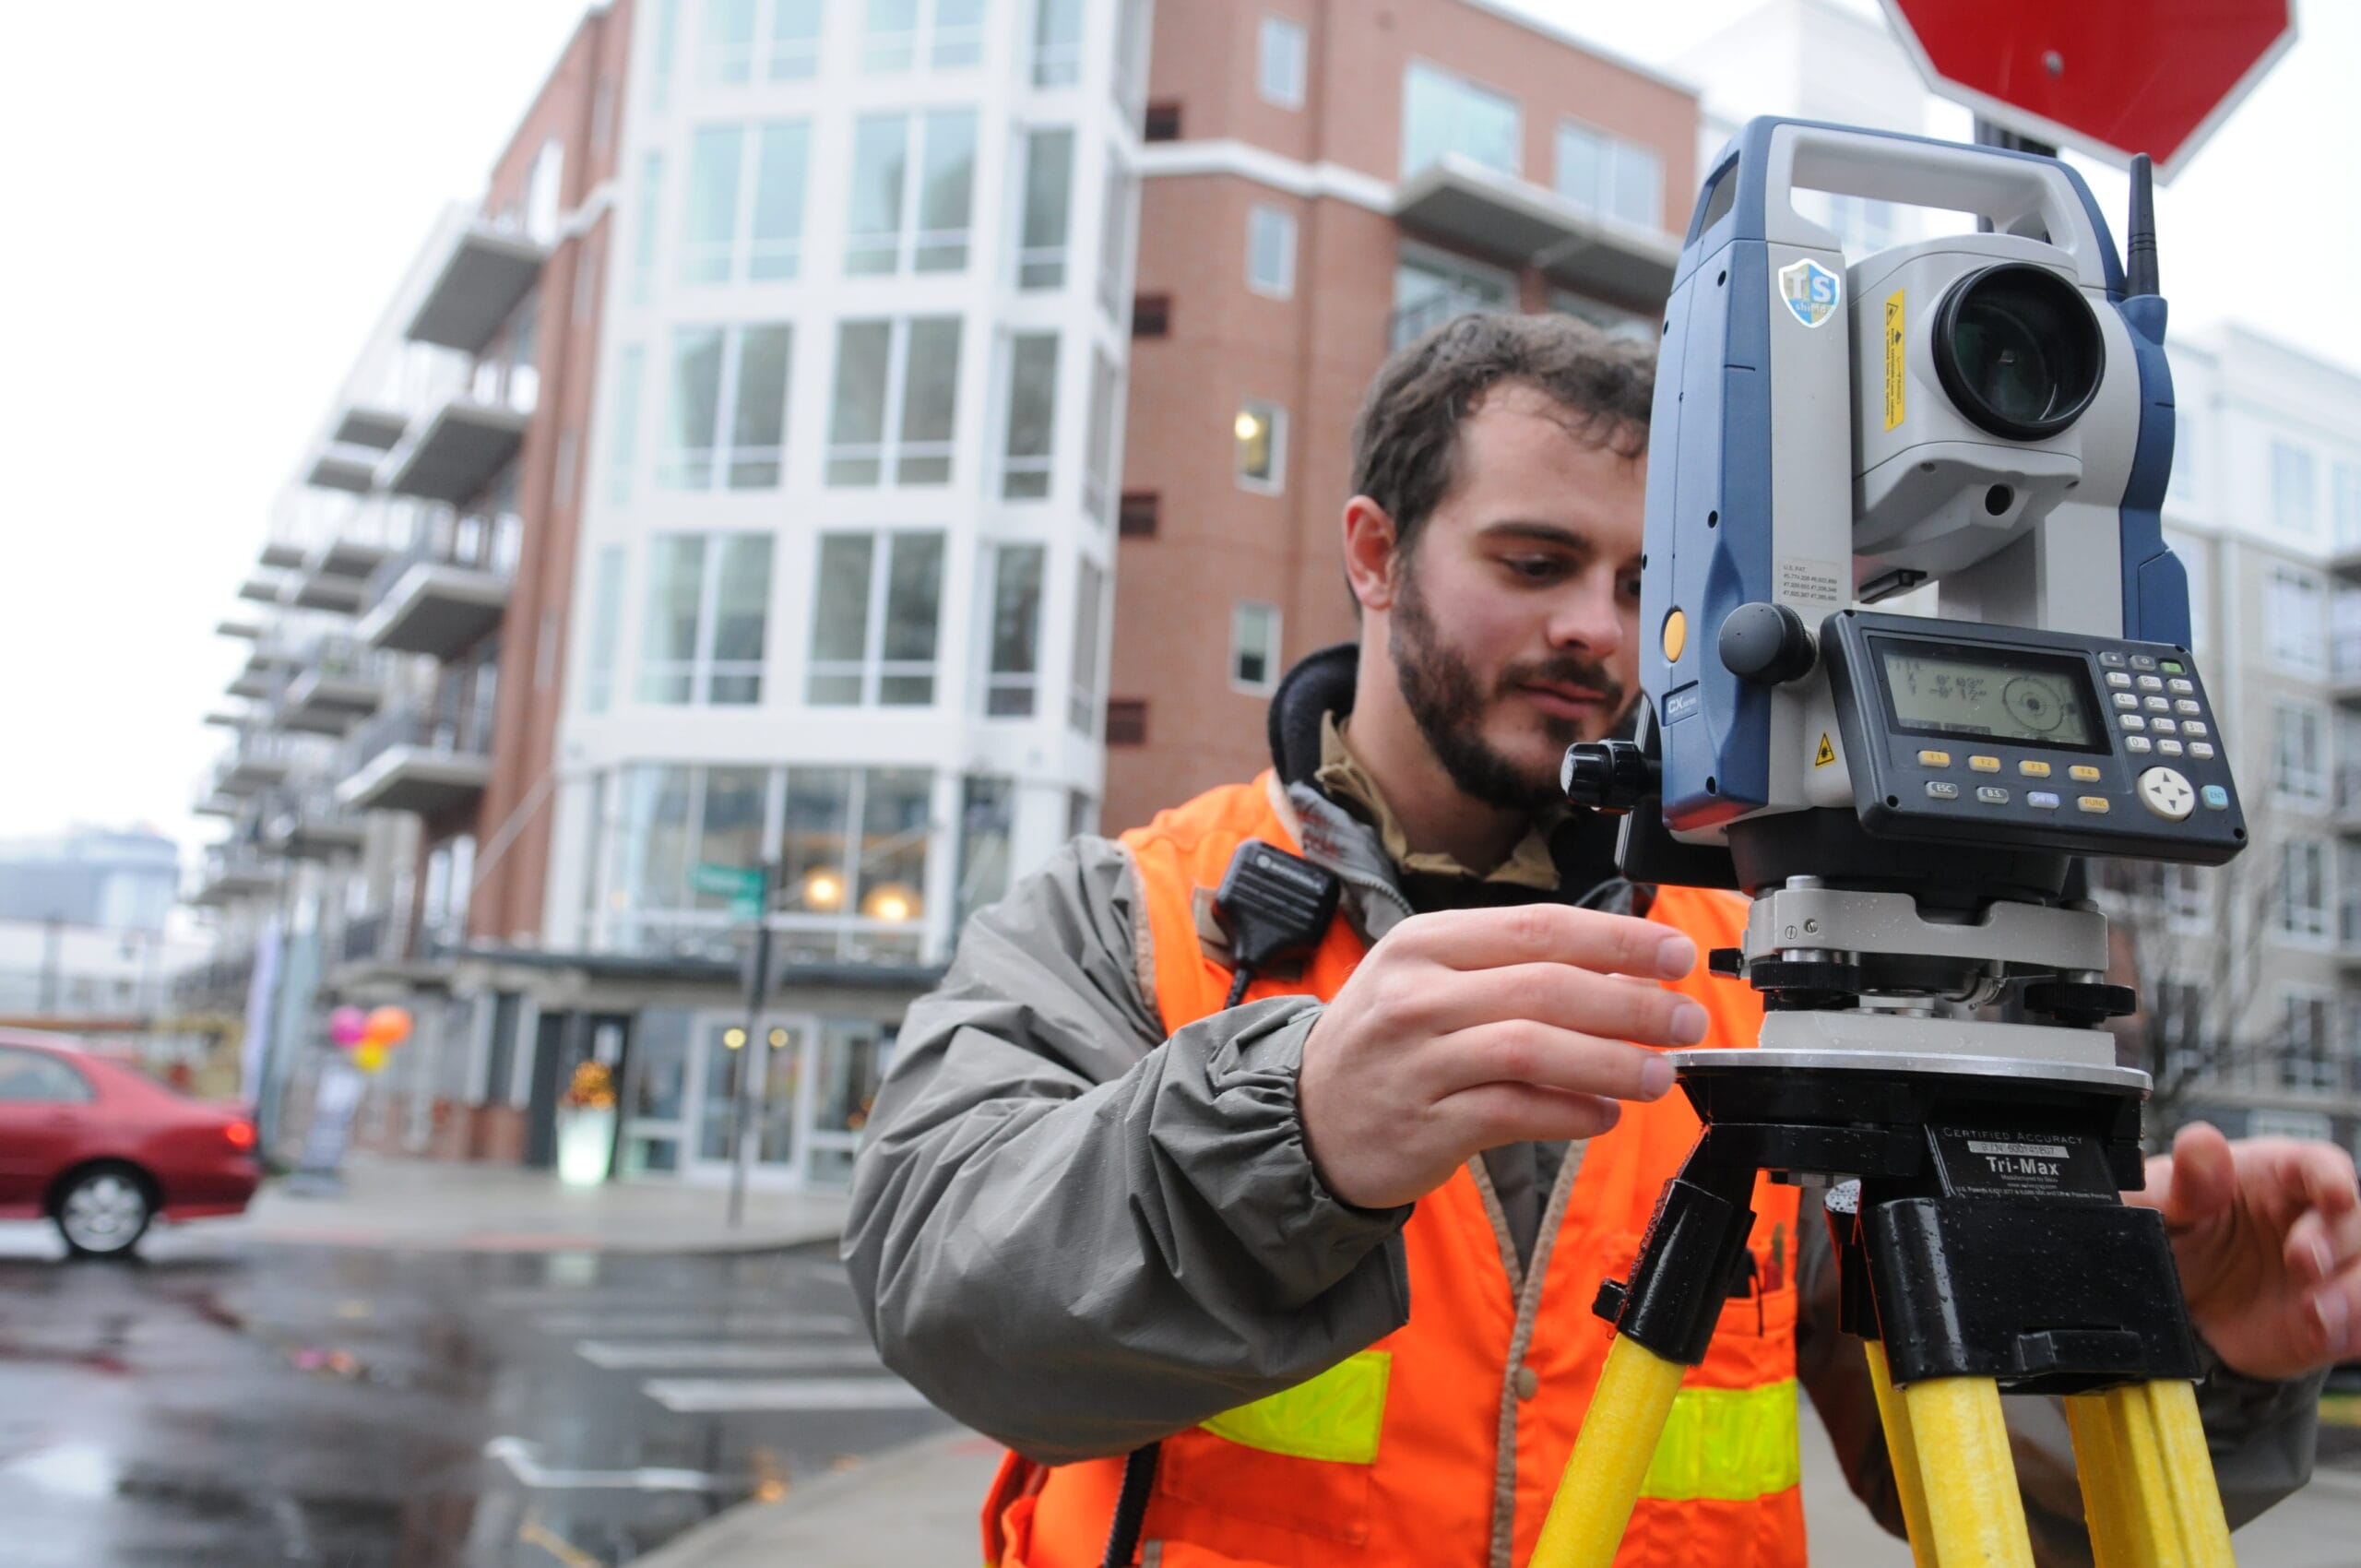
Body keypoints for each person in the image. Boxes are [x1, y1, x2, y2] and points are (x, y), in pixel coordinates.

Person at [846, 314, 2347, 1568]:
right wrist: (1292, 1133)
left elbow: (1965, 1478)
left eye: (1645, 586)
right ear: (1374, 551)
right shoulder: (1134, 910)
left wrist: (2181, 1352)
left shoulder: (1774, 964)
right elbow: (948, 1293)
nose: (1602, 634)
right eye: (1534, 561)